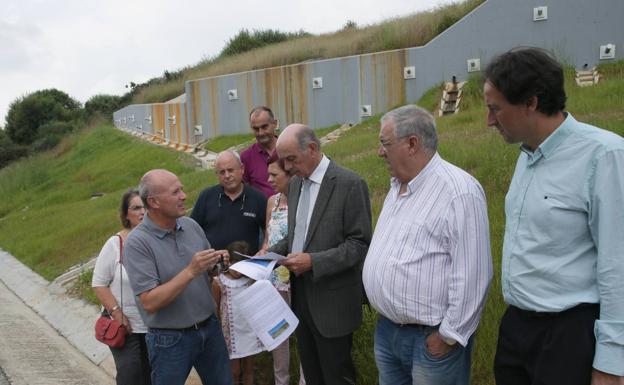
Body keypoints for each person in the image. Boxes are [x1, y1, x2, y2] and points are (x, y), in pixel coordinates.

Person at [484, 47, 624, 385]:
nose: (489, 121)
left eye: (495, 109)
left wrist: (611, 362)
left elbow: (617, 265)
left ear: (531, 102)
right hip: (517, 329)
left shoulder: (604, 156)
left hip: (568, 335)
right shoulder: (527, 154)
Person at [362, 105, 493, 385]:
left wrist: (448, 336)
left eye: (385, 144)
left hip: (430, 340)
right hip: (388, 332)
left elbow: (473, 274)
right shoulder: (397, 188)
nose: (379, 152)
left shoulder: (459, 191)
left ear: (412, 144)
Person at [268, 124, 372, 385]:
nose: (288, 167)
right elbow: (296, 236)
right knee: (312, 375)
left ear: (312, 148)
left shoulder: (350, 183)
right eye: (284, 161)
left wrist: (314, 261)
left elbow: (359, 244)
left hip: (333, 306)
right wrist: (266, 256)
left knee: (337, 377)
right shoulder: (294, 186)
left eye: (292, 158)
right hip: (301, 299)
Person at [123, 169, 233, 385]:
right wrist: (191, 271)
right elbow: (149, 302)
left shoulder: (191, 226)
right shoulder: (138, 243)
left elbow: (206, 272)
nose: (184, 196)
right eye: (175, 192)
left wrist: (215, 264)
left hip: (209, 329)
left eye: (181, 189)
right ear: (154, 202)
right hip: (169, 340)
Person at [92, 188, 151, 385]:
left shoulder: (155, 240)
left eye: (144, 207)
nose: (142, 212)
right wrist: (118, 313)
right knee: (130, 374)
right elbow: (99, 284)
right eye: (136, 208)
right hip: (125, 325)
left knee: (151, 376)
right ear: (126, 214)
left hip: (153, 325)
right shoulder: (115, 244)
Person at [259, 151, 306, 385]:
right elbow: (268, 239)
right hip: (276, 279)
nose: (269, 180)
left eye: (274, 174)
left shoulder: (304, 202)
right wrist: (260, 255)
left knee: (305, 331)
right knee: (279, 335)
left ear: (290, 175)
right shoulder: (272, 201)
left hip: (299, 276)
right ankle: (281, 381)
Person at [191, 150, 267, 254]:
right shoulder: (206, 197)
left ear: (242, 169)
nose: (227, 176)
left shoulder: (258, 198)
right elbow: (192, 231)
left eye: (230, 170)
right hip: (213, 266)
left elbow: (269, 232)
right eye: (222, 172)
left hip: (246, 267)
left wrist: (263, 251)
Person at [213, 241, 264, 385]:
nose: (237, 270)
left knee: (249, 369)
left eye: (241, 265)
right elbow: (216, 310)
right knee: (234, 371)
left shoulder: (250, 281)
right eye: (234, 264)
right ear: (227, 261)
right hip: (230, 335)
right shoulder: (219, 282)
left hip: (249, 331)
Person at [241, 106, 279, 198]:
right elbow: (242, 189)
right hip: (262, 210)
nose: (260, 133)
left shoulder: (289, 149)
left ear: (275, 124)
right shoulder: (246, 157)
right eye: (256, 129)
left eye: (264, 127)